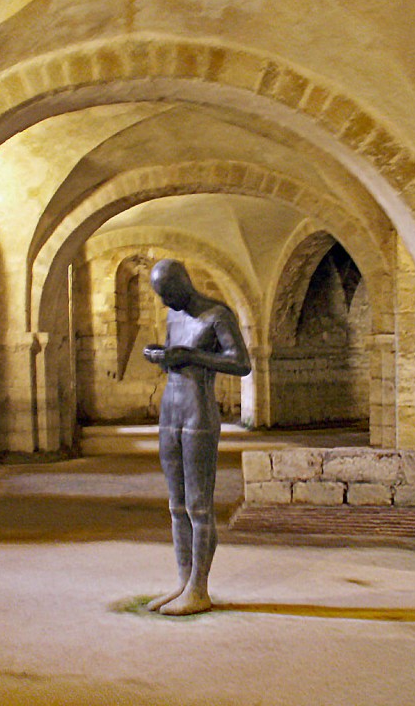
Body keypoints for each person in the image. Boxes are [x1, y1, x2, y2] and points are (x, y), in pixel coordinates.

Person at [143, 259, 251, 615]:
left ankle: (199, 589)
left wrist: (191, 355)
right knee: (176, 505)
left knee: (198, 506)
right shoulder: (174, 315)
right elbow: (180, 358)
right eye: (160, 296)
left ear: (183, 284)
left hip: (199, 411)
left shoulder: (217, 315)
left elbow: (241, 363)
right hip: (170, 409)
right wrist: (163, 357)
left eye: (167, 294)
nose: (164, 303)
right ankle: (183, 582)